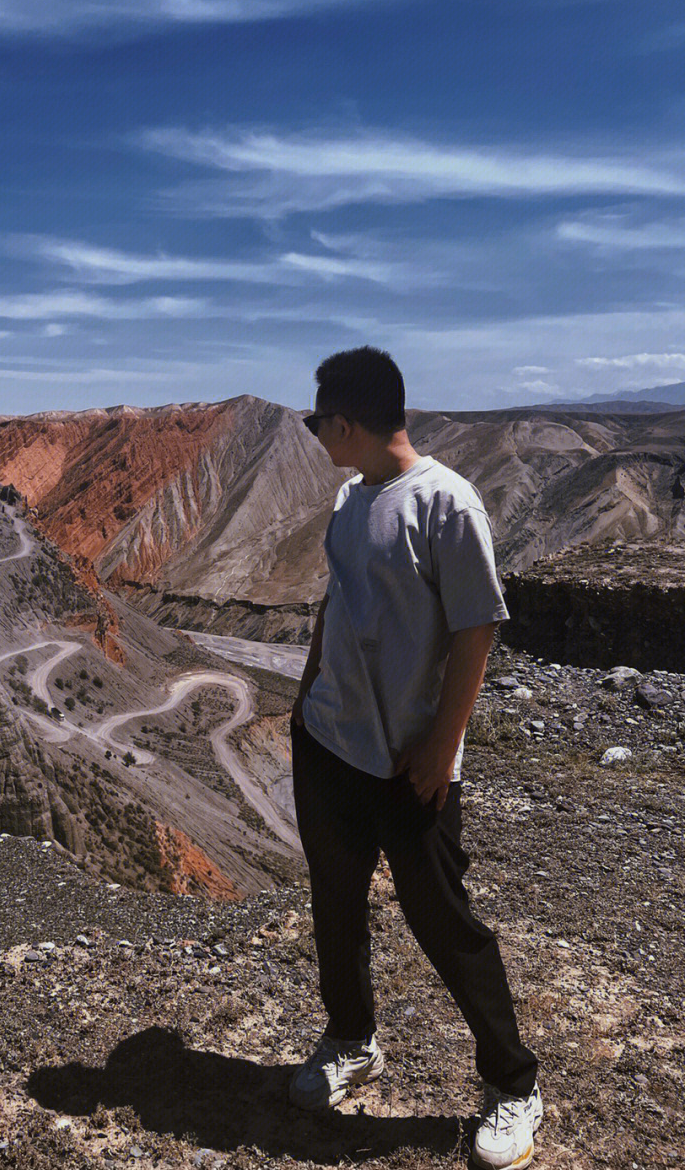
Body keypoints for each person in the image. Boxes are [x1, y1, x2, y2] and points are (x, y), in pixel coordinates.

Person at [288, 346, 542, 1170]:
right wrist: (308, 689)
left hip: (408, 761)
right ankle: (352, 1038)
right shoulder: (349, 497)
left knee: (443, 921)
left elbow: (478, 626)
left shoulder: (446, 504)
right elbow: (337, 596)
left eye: (317, 419)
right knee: (336, 900)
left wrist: (442, 747)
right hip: (331, 741)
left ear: (349, 421)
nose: (314, 432)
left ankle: (513, 1085)